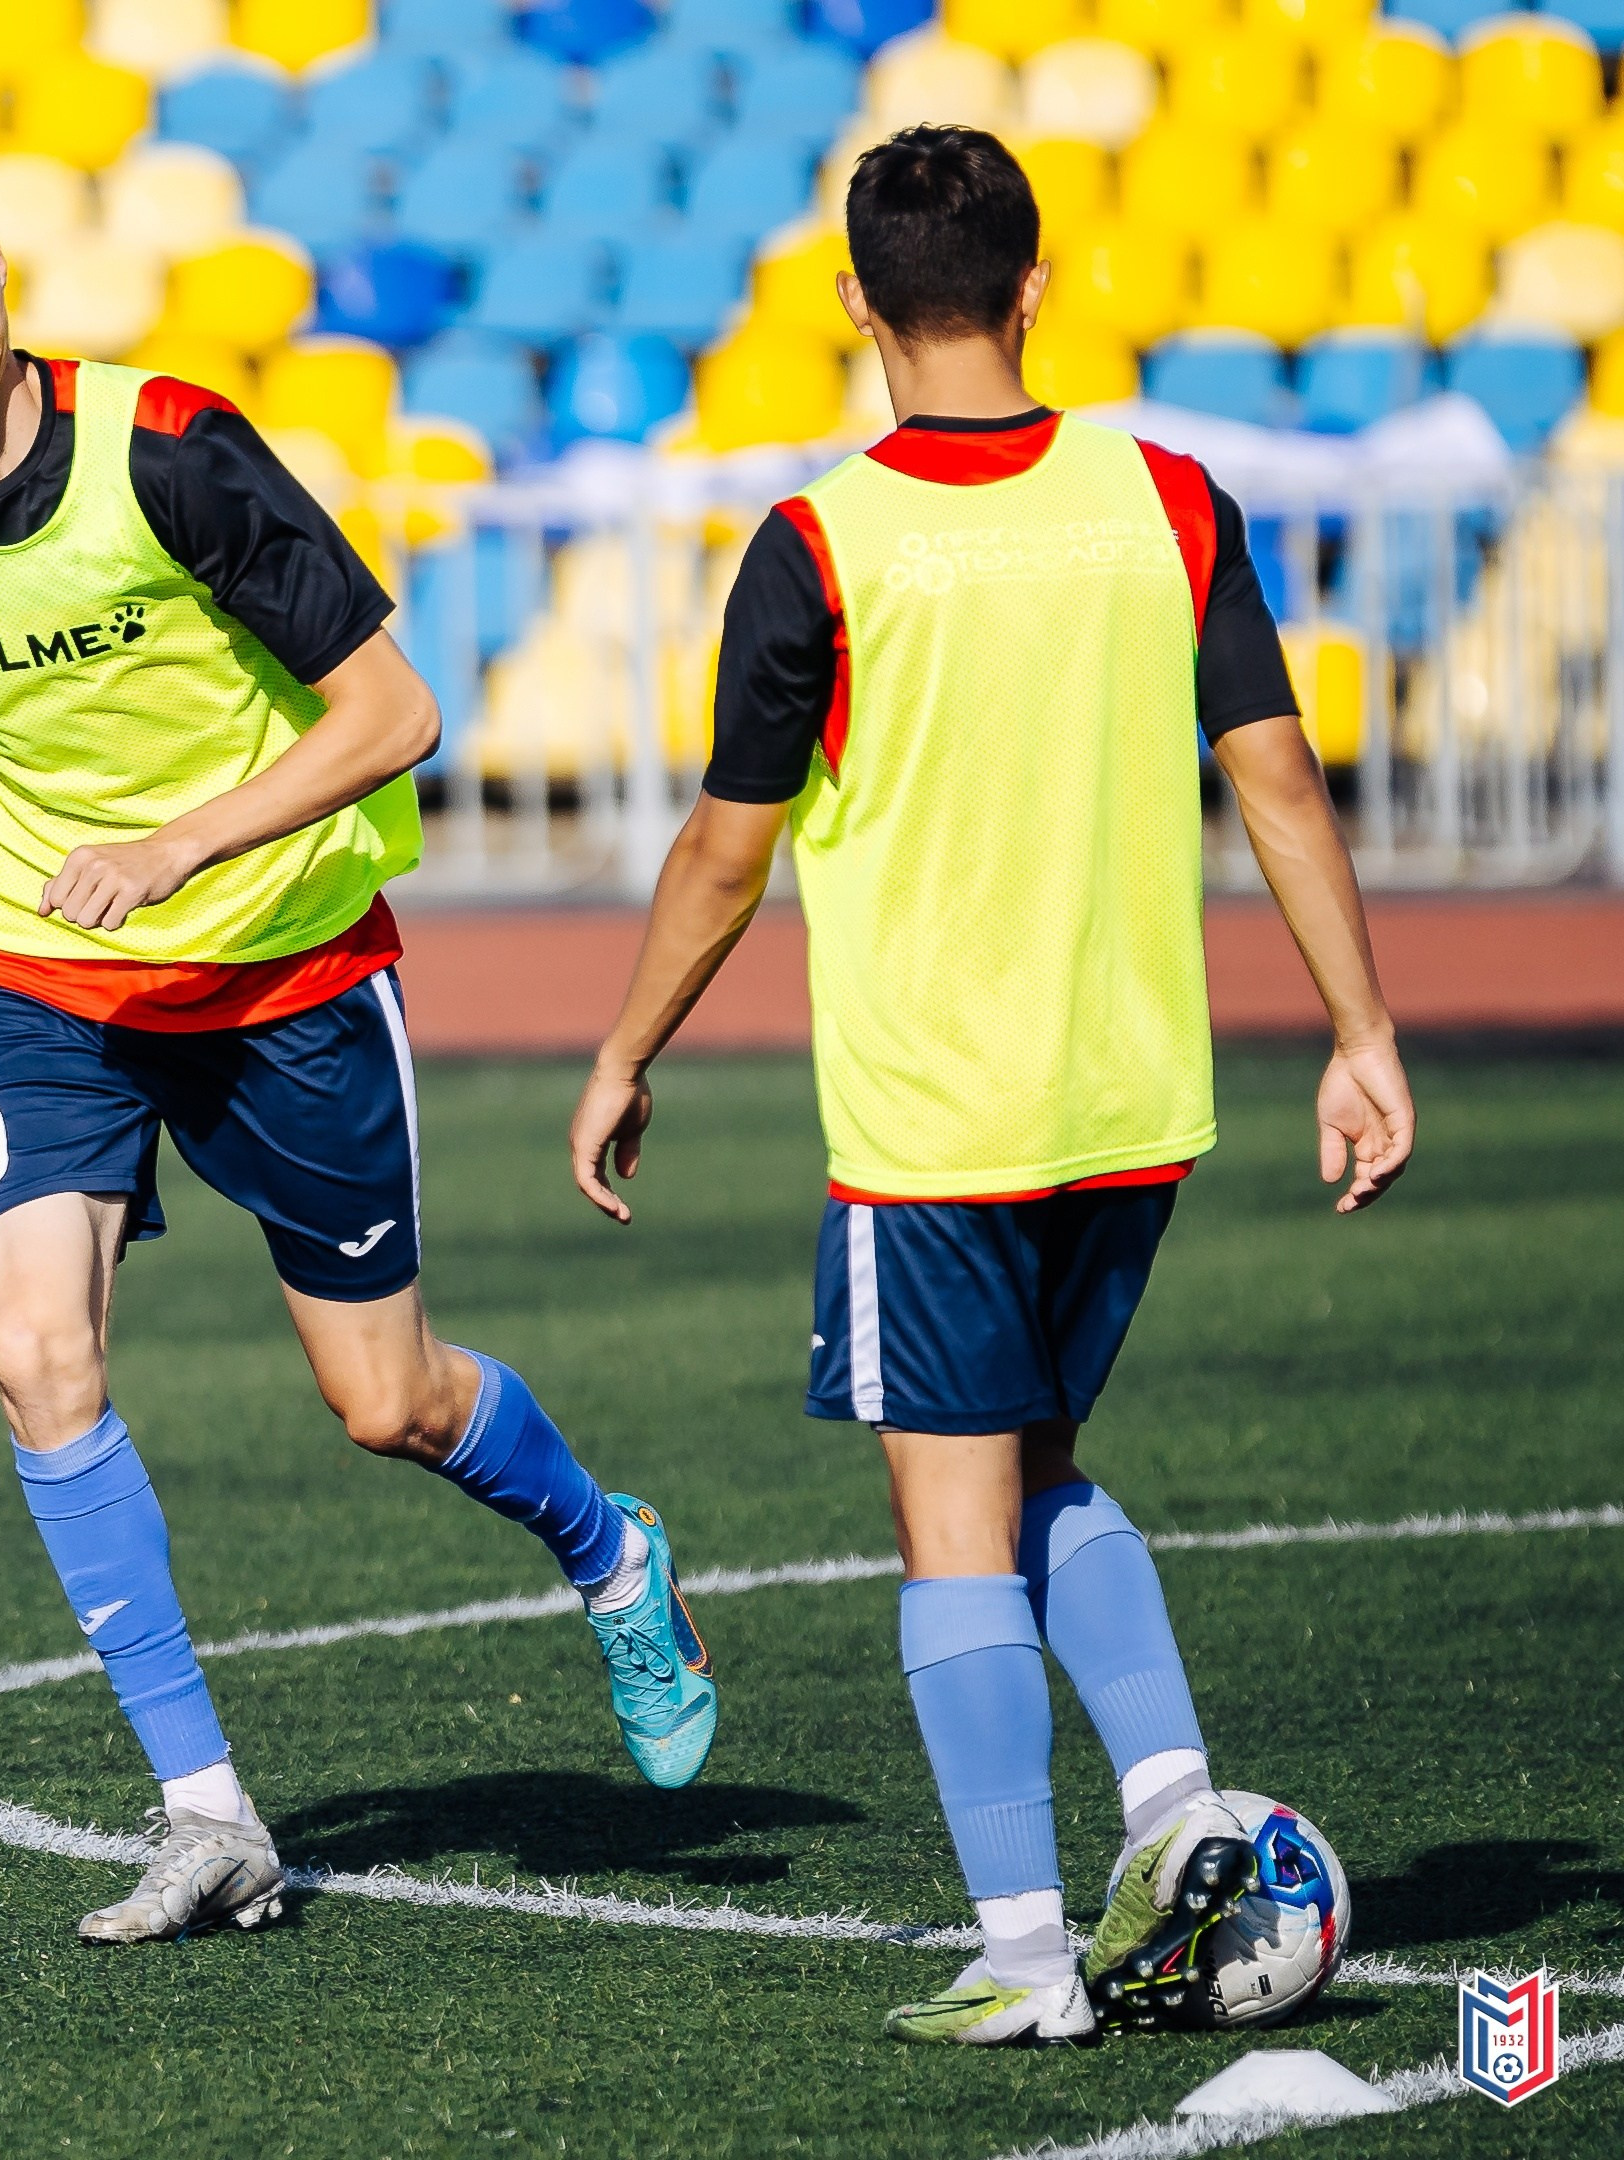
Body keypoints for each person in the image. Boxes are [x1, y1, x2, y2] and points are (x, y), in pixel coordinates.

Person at [0, 151, 717, 1946]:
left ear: (5, 269)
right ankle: (208, 1815)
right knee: (34, 1351)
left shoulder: (171, 451)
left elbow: (396, 709)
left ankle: (610, 1550)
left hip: (284, 972)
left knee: (388, 1404)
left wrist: (178, 847)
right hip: (45, 975)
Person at [569, 126, 1414, 2046]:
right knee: (1035, 1468)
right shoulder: (1167, 500)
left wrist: (626, 1050)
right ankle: (1181, 1818)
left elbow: (723, 854)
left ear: (853, 302)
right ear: (1035, 288)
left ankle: (1026, 1955)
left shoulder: (818, 546)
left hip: (938, 1126)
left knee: (951, 1522)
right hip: (1132, 1105)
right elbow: (1281, 782)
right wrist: (1361, 1032)